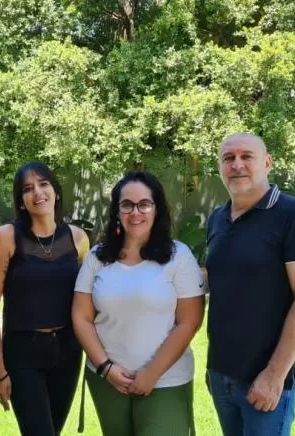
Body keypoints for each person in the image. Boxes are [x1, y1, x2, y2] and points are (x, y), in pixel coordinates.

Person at [204, 133, 295, 436]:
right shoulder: (218, 218)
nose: (237, 165)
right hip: (221, 375)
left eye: (247, 157)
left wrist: (274, 376)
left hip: (268, 379)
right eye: (228, 158)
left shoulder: (293, 215)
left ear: (267, 163)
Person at [72, 171, 205, 436]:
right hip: (107, 381)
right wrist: (106, 369)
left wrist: (151, 374)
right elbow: (81, 317)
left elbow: (189, 321)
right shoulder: (98, 257)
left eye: (144, 204)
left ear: (157, 209)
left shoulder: (178, 256)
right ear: (117, 211)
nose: (135, 212)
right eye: (127, 205)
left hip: (165, 380)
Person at [0, 162, 90, 436]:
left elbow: (87, 300)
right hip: (23, 353)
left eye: (43, 184)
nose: (37, 193)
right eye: (27, 189)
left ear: (55, 191)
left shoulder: (78, 238)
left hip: (68, 350)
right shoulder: (6, 238)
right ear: (20, 200)